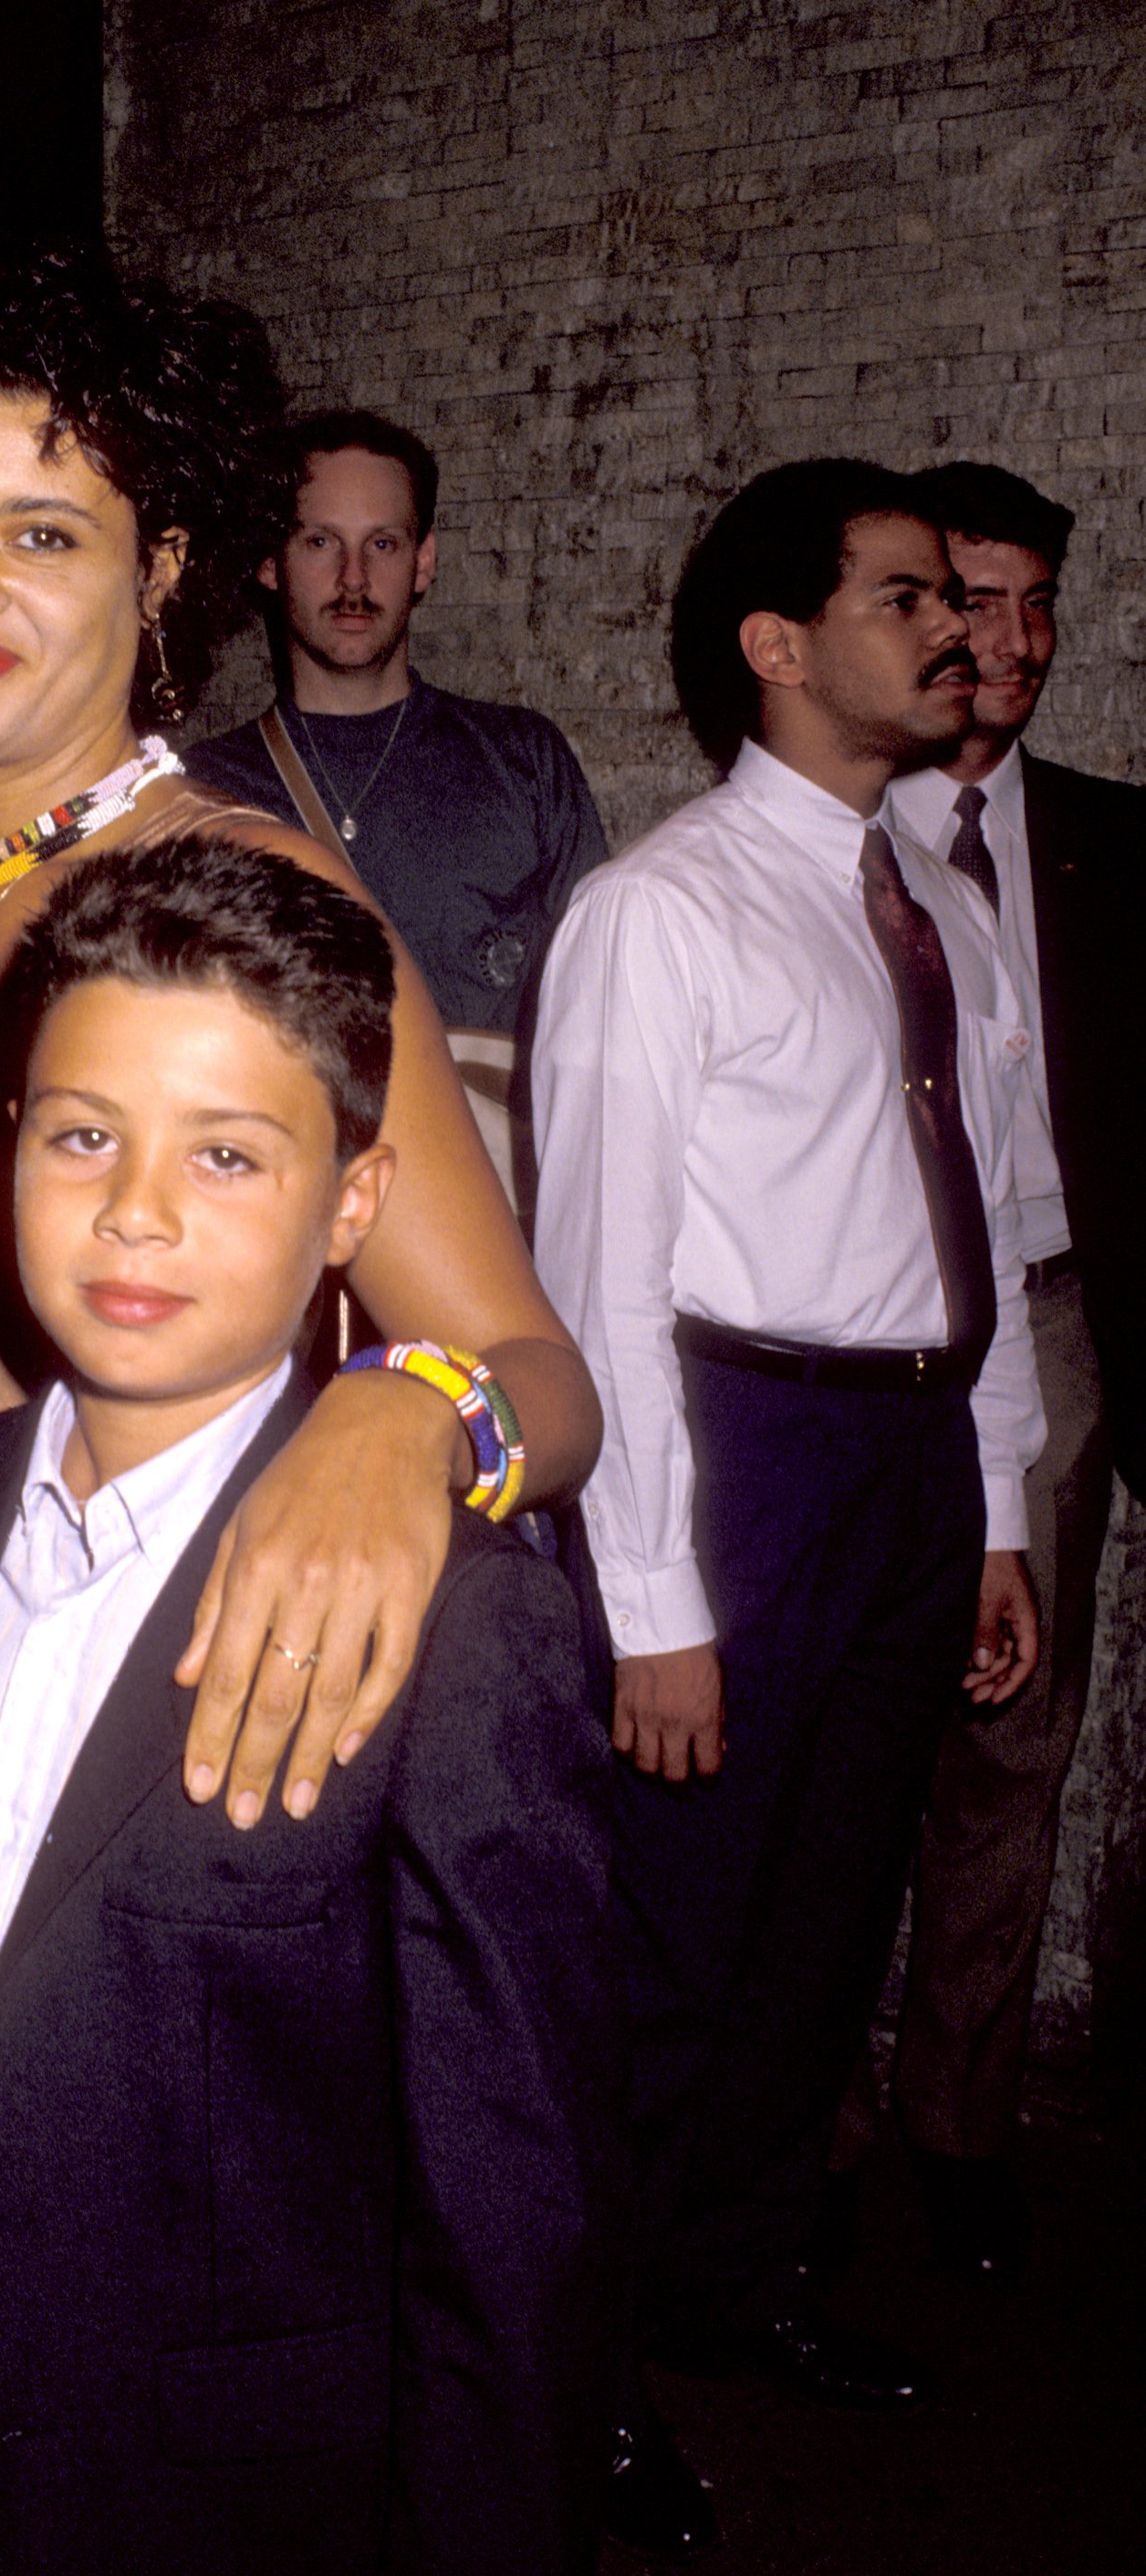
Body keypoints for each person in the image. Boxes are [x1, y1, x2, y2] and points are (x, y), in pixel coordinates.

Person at [0, 237, 601, 2132]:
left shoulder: (245, 901)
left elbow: (540, 1381)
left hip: (140, 1764)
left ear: (160, 568)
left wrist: (399, 1420)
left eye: (43, 532)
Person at [0, 836, 619, 2576]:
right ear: (6, 1140)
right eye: (83, 1134)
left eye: (230, 1156)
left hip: (226, 2505)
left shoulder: (454, 1629)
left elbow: (509, 2222)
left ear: (351, 1205)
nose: (135, 1214)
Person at [531, 460, 1047, 2557]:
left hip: (906, 1458)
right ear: (771, 641)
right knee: (664, 1959)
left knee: (817, 1937)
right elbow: (592, 1276)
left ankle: (730, 2290)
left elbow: (983, 1240)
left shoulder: (918, 900)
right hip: (731, 1457)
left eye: (956, 593)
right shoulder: (655, 909)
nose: (950, 628)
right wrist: (646, 1597)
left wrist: (991, 1506)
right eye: (900, 593)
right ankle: (579, 2380)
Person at [853, 462, 1144, 2277]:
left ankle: (950, 2147)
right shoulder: (828, 837)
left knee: (1006, 1749)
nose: (1016, 639)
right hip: (856, 1343)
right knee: (836, 1747)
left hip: (1049, 1330)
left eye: (1040, 600)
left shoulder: (1119, 846)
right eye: (976, 597)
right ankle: (784, 2150)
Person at [186, 408, 608, 1212]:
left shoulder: (523, 761)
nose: (352, 579)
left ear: (423, 562)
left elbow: (600, 1029)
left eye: (382, 543)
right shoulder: (202, 791)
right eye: (319, 541)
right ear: (270, 562)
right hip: (275, 1227)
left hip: (492, 1225)